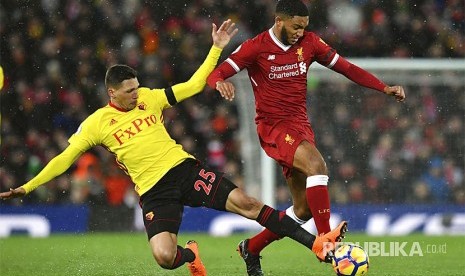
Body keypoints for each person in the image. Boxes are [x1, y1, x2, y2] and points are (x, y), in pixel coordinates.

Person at [0, 19, 347, 276]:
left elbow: (195, 85)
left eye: (138, 87)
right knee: (165, 258)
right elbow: (64, 159)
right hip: (153, 191)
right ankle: (192, 257)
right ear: (112, 93)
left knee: (249, 204)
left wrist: (216, 48)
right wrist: (28, 187)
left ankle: (316, 244)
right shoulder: (96, 124)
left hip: (184, 170)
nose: (138, 93)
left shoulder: (150, 99)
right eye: (130, 90)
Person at [207, 1, 405, 275]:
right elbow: (217, 72)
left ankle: (251, 248)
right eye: (296, 26)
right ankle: (325, 240)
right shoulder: (256, 46)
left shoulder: (310, 43)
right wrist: (219, 82)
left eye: (305, 26)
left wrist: (383, 87)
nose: (301, 31)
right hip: (273, 128)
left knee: (302, 210)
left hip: (300, 126)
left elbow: (346, 68)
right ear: (279, 21)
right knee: (317, 166)